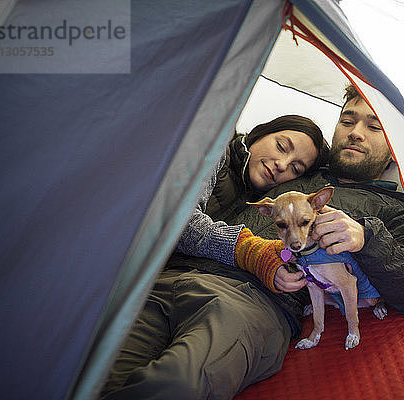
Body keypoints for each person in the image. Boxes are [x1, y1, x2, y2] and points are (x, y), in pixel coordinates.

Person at [101, 85, 404, 399]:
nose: (355, 132)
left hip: (252, 301)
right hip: (168, 278)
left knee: (175, 386)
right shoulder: (290, 174)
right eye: (347, 120)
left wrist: (367, 238)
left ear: (395, 148)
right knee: (92, 377)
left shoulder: (395, 210)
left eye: (374, 126)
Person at [100, 114, 329, 399]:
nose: (282, 165)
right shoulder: (216, 145)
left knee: (177, 385)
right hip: (163, 284)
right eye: (282, 146)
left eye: (295, 168)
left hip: (234, 300)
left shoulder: (278, 203)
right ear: (260, 134)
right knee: (100, 379)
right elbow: (175, 219)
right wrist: (249, 249)